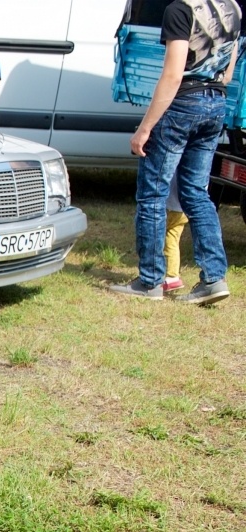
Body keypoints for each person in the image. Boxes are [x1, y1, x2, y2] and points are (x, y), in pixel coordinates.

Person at [109, 0, 240, 304]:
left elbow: (173, 74)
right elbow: (228, 73)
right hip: (216, 102)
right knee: (196, 192)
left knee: (153, 193)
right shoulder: (233, 7)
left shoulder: (180, 10)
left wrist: (145, 128)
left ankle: (150, 281)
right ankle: (213, 278)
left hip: (183, 103)